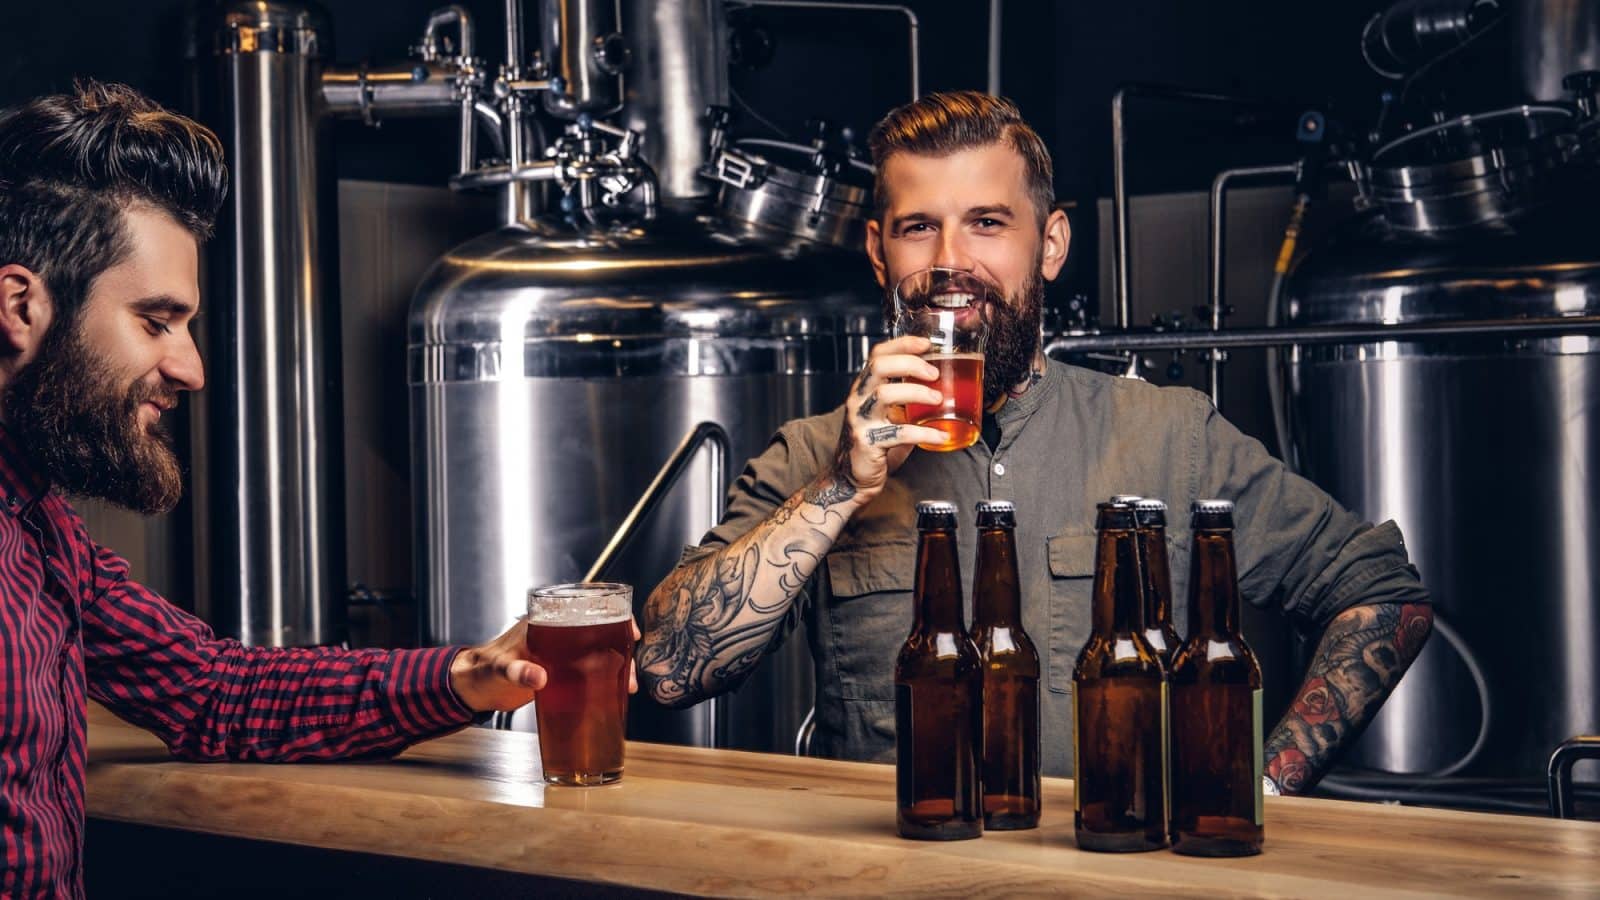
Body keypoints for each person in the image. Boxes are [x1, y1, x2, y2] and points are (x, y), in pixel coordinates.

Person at [638, 90, 1433, 796]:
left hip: (1116, 881)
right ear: (880, 255)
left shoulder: (1170, 433)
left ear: (1049, 245)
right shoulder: (814, 451)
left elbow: (1383, 593)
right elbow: (670, 667)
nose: (951, 263)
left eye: (987, 223)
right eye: (920, 229)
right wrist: (841, 488)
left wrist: (1264, 787)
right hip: (890, 881)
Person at [0, 82, 634, 899]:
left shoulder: (41, 524)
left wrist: (465, 676)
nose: (190, 367)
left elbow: (214, 693)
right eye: (156, 321)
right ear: (20, 303)